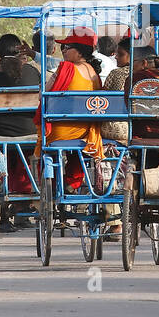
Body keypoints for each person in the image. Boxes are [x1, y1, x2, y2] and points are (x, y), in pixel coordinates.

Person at [0, 34, 42, 231]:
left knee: (5, 154)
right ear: (20, 51)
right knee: (27, 158)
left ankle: (6, 213)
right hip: (30, 134)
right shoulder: (33, 72)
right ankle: (24, 207)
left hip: (0, 134)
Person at [34, 30, 104, 194]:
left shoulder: (66, 68)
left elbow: (42, 95)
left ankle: (49, 185)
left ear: (80, 50)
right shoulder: (95, 74)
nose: (63, 50)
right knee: (75, 153)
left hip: (63, 130)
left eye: (67, 46)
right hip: (88, 132)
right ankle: (72, 182)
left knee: (43, 139)